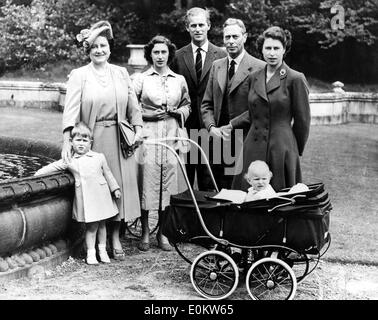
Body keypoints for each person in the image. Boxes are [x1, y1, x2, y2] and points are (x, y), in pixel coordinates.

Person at [61, 21, 144, 261]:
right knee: (99, 190)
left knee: (118, 187)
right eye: (94, 46)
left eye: (103, 45)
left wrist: (138, 129)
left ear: (110, 48)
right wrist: (68, 140)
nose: (99, 50)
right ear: (88, 51)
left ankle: (115, 237)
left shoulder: (120, 72)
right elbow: (71, 110)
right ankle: (97, 242)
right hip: (93, 140)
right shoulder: (80, 75)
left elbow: (133, 106)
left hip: (120, 139)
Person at [226, 26, 311, 192]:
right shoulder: (253, 78)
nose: (272, 53)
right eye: (268, 48)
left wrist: (293, 149)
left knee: (279, 200)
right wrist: (231, 124)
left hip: (281, 148)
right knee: (246, 195)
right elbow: (252, 113)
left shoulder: (295, 78)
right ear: (261, 51)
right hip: (252, 145)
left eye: (276, 48)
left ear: (284, 50)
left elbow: (303, 120)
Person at [132, 35, 191, 252]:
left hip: (173, 135)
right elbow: (132, 108)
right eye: (155, 52)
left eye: (163, 52)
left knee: (168, 183)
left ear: (169, 54)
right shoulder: (141, 79)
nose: (159, 56)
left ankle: (163, 232)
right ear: (150, 55)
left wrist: (179, 112)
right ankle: (145, 231)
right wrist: (147, 115)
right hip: (149, 137)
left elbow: (188, 105)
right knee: (148, 181)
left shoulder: (179, 79)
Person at [35, 122, 121, 265]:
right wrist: (37, 174)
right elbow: (53, 167)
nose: (81, 144)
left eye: (85, 140)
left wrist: (115, 188)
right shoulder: (70, 160)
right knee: (92, 227)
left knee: (102, 225)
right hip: (87, 198)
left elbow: (108, 174)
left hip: (101, 196)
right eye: (78, 140)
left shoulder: (99, 157)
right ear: (71, 142)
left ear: (90, 142)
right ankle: (91, 253)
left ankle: (103, 251)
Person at [200, 18, 266, 190]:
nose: (230, 41)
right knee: (215, 190)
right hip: (217, 140)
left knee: (240, 191)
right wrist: (211, 127)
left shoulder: (259, 67)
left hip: (244, 139)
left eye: (235, 37)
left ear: (244, 37)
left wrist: (231, 125)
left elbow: (257, 108)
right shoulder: (217, 66)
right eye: (227, 37)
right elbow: (206, 103)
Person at [170, 7, 227, 191]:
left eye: (201, 24)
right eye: (193, 25)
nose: (198, 29)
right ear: (187, 28)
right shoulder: (177, 56)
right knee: (183, 182)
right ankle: (184, 221)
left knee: (210, 183)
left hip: (212, 129)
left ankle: (208, 221)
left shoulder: (223, 55)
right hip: (185, 129)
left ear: (208, 26)